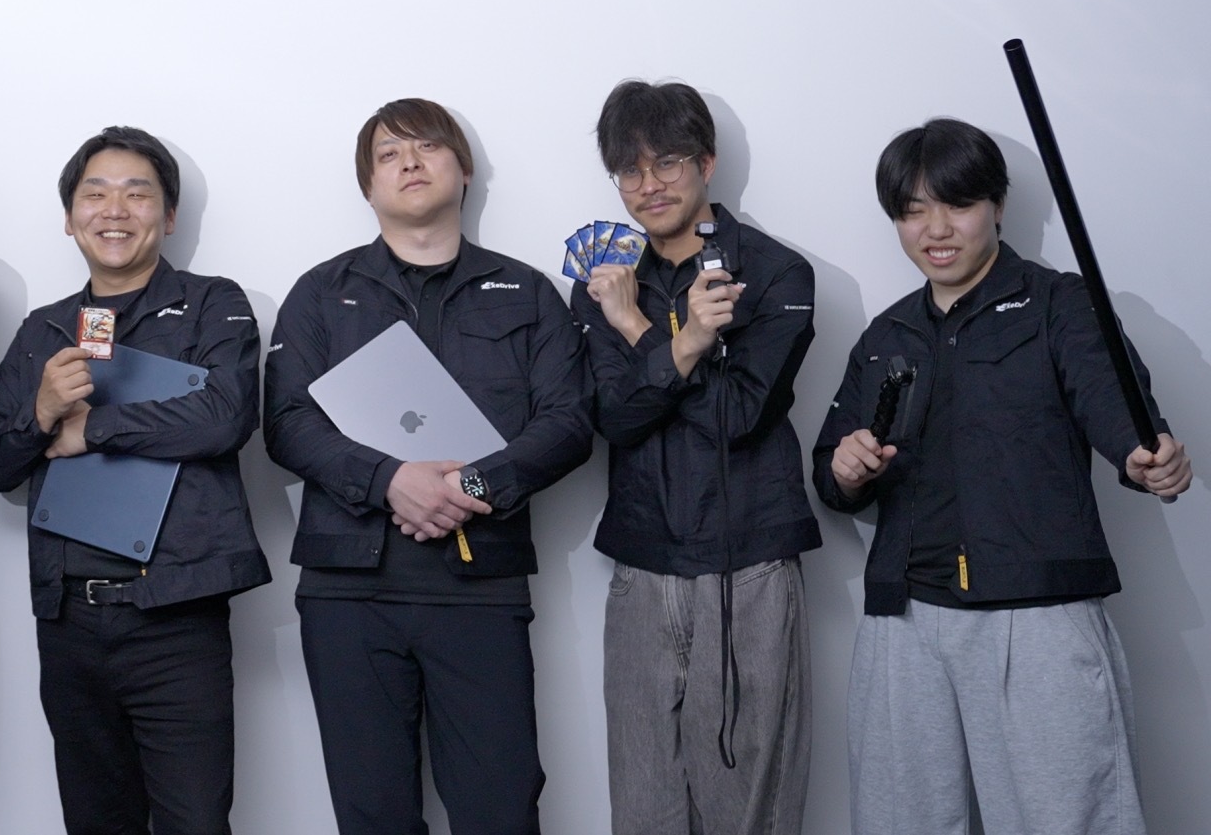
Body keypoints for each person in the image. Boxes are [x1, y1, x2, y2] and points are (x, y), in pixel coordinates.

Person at [813, 117, 1192, 835]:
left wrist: (1146, 457)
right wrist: (845, 469)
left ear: (997, 204)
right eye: (913, 211)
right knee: (898, 823)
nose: (936, 229)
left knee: (1068, 820)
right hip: (903, 623)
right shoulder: (887, 334)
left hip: (1037, 616)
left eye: (956, 204)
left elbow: (1120, 409)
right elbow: (831, 475)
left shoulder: (1061, 304)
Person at [263, 98, 592, 834]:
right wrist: (389, 482)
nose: (409, 163)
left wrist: (470, 487)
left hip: (480, 587)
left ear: (464, 170)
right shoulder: (321, 293)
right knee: (372, 814)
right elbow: (285, 423)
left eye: (427, 147)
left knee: (500, 810)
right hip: (348, 592)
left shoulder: (528, 291)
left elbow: (569, 422)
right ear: (368, 186)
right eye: (388, 154)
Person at [0, 127, 271, 834]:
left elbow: (226, 415)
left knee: (196, 821)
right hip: (68, 619)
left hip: (177, 614)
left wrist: (93, 428)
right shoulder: (45, 329)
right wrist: (40, 413)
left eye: (138, 194)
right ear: (69, 217)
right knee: (96, 821)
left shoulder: (214, 303)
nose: (114, 210)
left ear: (169, 215)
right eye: (95, 194)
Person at [569, 80, 820, 835]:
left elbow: (738, 415)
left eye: (668, 163)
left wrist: (647, 335)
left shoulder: (775, 273)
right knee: (642, 798)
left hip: (751, 560)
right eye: (629, 170)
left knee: (748, 801)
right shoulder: (606, 281)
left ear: (706, 163)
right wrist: (675, 342)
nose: (648, 185)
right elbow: (613, 418)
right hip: (642, 561)